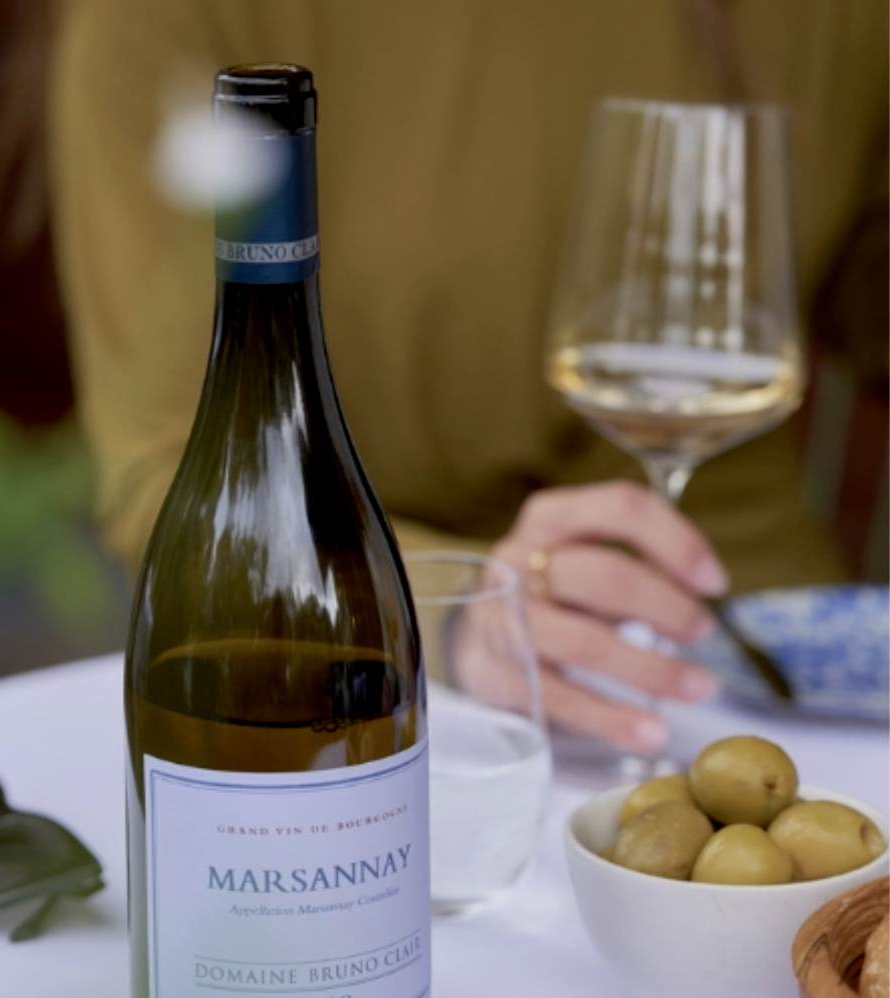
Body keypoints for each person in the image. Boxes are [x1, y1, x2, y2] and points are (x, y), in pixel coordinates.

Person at [46, 0, 886, 753]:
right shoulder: (178, 20)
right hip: (395, 681)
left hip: (773, 669)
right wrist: (459, 610)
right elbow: (164, 469)